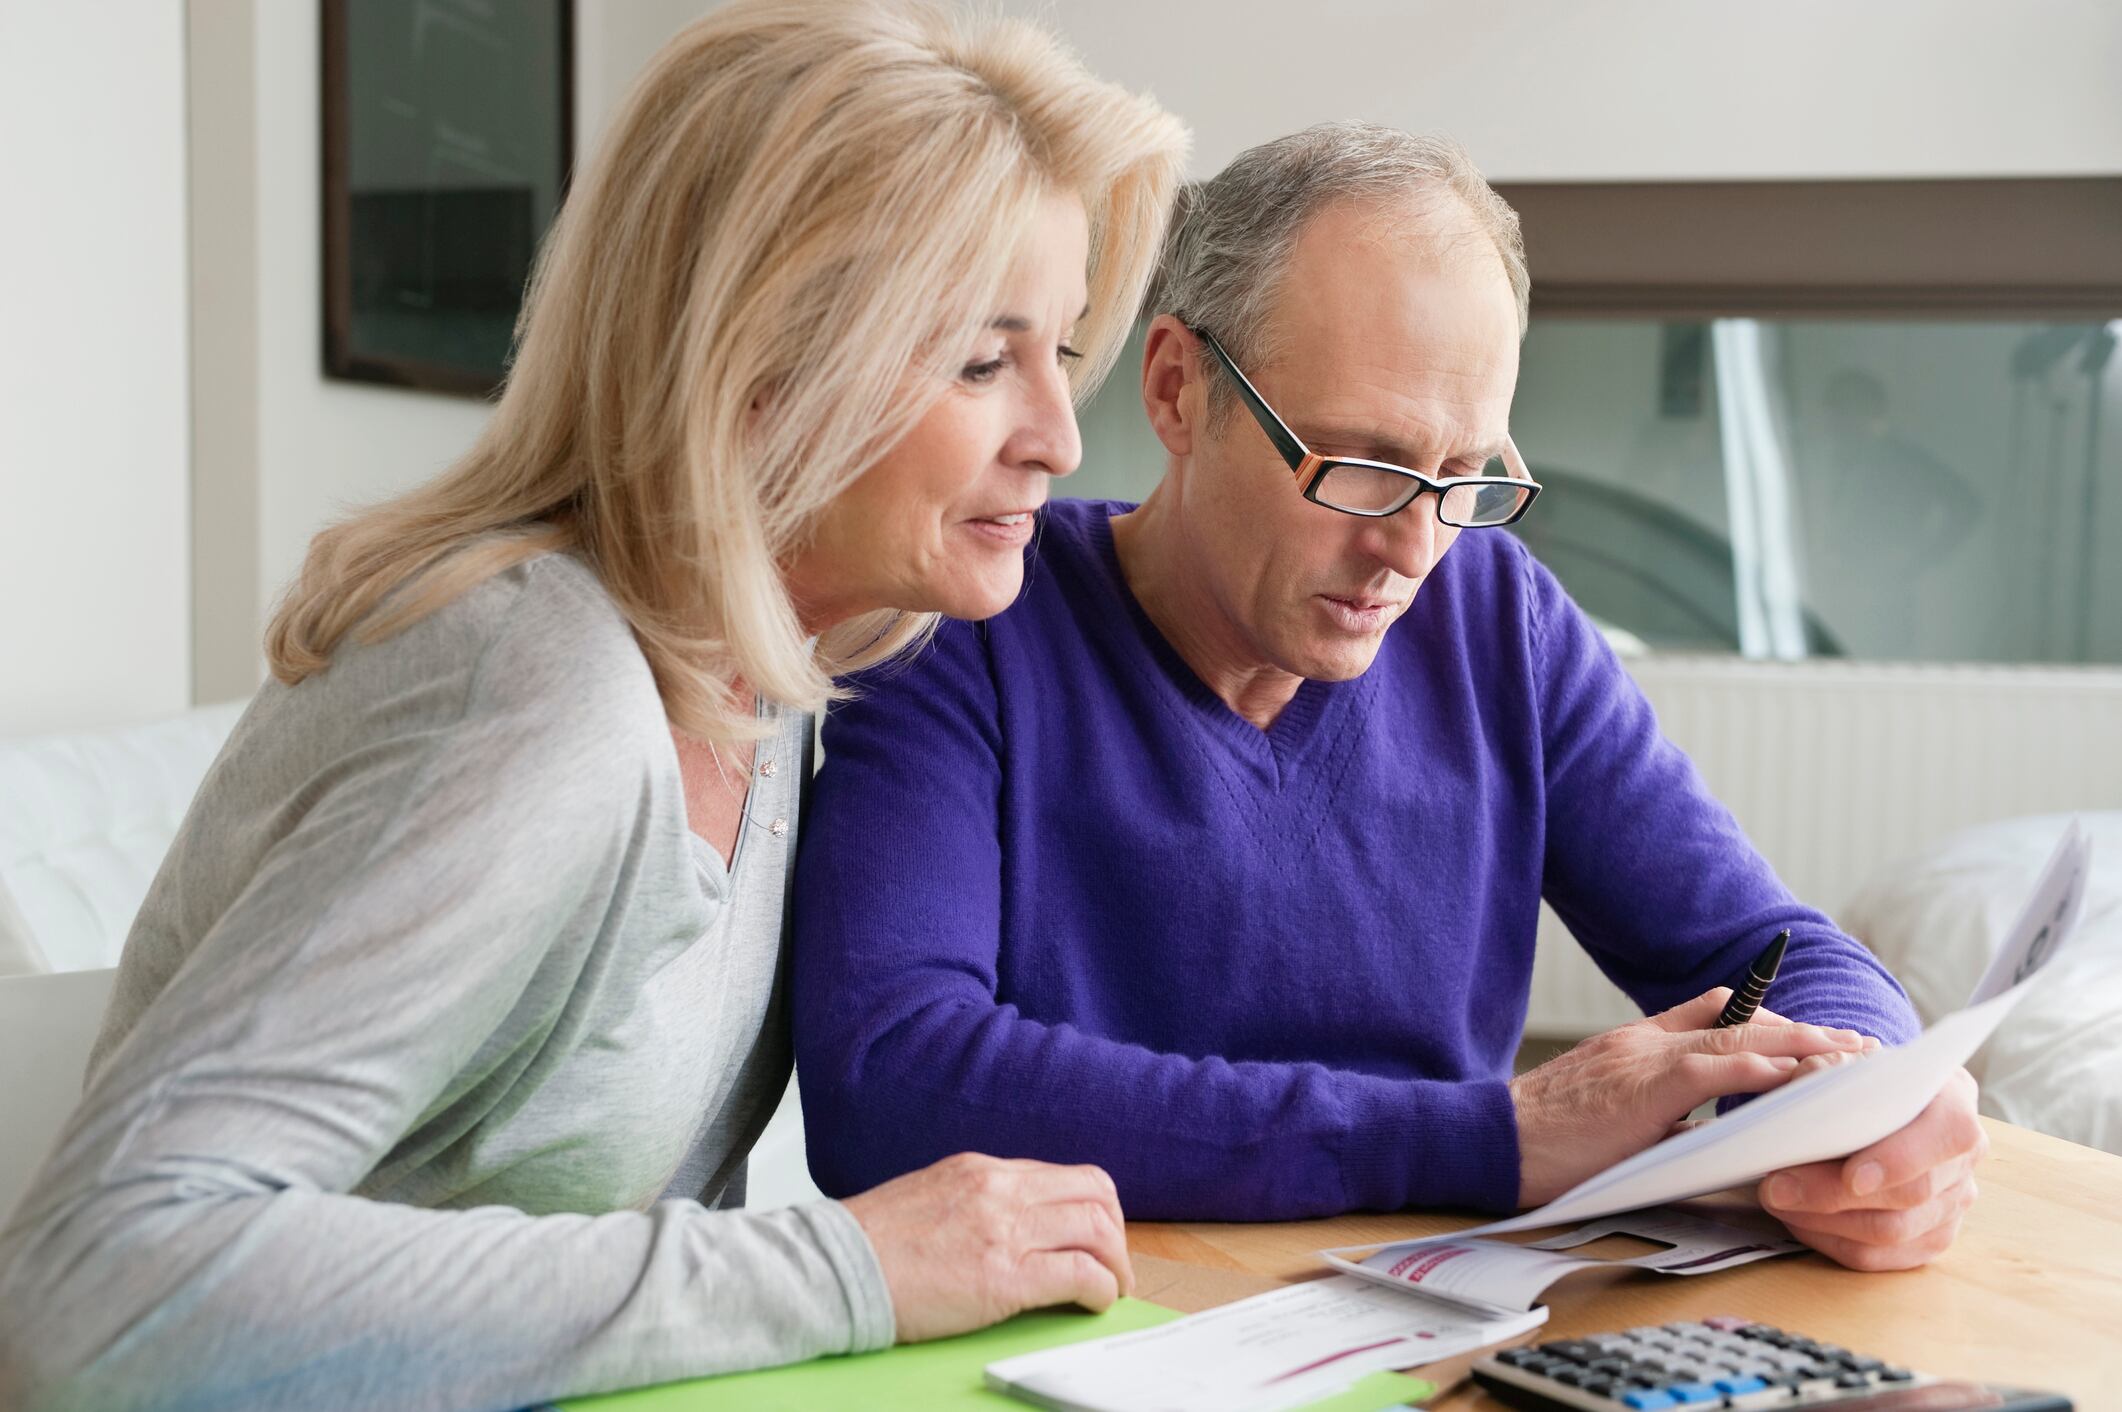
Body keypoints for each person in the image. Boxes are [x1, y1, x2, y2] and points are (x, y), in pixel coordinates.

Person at [0, 4, 1186, 1409]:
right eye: (984, 362)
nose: (1054, 433)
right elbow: (97, 1289)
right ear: (760, 364)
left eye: (1058, 354)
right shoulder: (536, 692)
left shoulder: (766, 684)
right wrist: (843, 1269)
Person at [793, 123, 1987, 1272]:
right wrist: (1491, 1135)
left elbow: (1771, 950)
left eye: (1464, 476)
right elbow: (889, 1078)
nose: (1414, 549)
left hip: (1428, 1317)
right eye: (1362, 467)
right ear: (1175, 391)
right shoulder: (960, 621)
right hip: (1092, 1323)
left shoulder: (1495, 617)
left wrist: (1861, 1095)